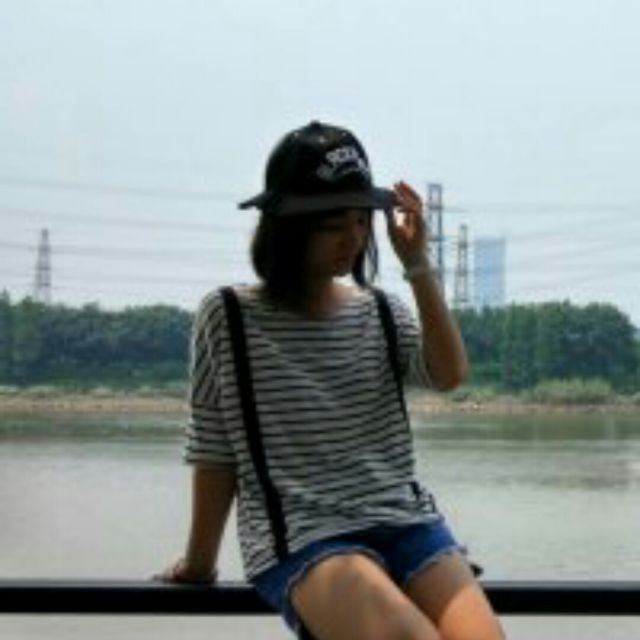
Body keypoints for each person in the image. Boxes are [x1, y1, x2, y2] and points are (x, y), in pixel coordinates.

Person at [159, 121, 505, 640]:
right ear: (287, 228)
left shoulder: (382, 311)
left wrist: (418, 264)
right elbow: (215, 448)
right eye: (332, 225)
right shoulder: (228, 315)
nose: (354, 239)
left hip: (407, 521)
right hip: (306, 537)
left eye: (362, 221)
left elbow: (449, 375)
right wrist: (200, 563)